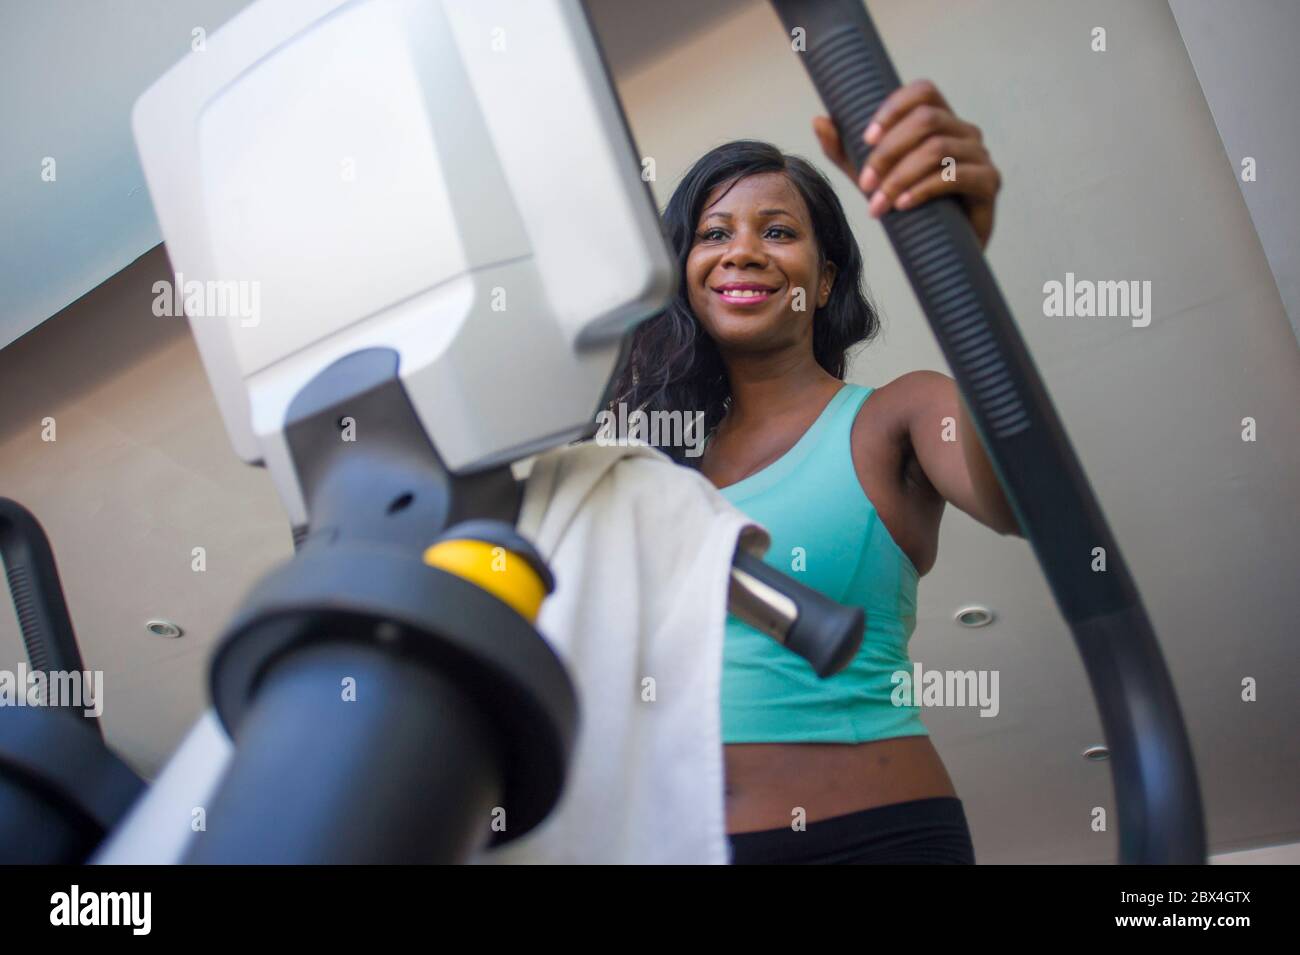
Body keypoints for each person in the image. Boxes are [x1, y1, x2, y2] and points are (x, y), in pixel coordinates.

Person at [606, 80, 1022, 864]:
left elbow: (1021, 498)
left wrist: (962, 278)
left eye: (778, 231)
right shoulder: (655, 469)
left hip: (874, 836)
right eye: (713, 232)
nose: (743, 251)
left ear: (823, 280)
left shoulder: (895, 415)